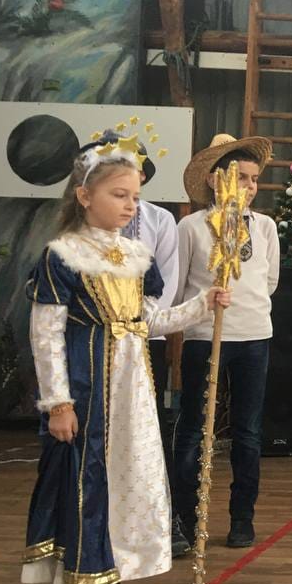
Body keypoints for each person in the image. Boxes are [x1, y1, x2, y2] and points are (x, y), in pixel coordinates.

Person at [22, 131, 227, 584]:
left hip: (131, 388)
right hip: (88, 387)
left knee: (124, 478)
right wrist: (58, 403)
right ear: (84, 195)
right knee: (86, 477)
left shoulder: (135, 257)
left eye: (135, 196)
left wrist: (202, 304)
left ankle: (109, 572)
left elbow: (148, 322)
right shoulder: (64, 254)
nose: (130, 205)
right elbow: (45, 334)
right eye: (119, 195)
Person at [172, 133, 279, 553]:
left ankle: (242, 518)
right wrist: (203, 311)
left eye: (254, 179)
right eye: (241, 178)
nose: (249, 186)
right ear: (215, 180)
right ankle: (184, 520)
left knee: (248, 432)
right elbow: (179, 287)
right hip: (205, 337)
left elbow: (269, 282)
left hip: (254, 337)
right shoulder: (191, 227)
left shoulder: (265, 227)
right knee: (194, 430)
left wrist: (245, 309)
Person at [117, 137, 180, 485]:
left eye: (135, 169)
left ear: (143, 176)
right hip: (101, 334)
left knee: (149, 414)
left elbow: (169, 278)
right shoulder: (89, 221)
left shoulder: (160, 219)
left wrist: (146, 321)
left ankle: (155, 494)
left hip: (146, 334)